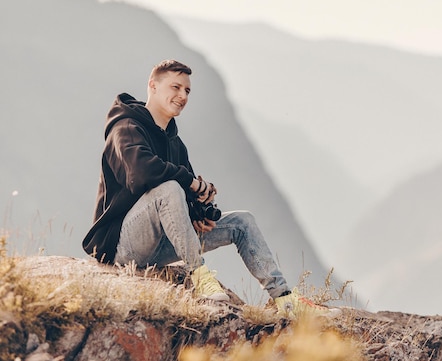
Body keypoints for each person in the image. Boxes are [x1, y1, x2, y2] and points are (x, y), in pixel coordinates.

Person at [82, 59, 337, 318]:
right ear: (153, 86)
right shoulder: (125, 127)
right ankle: (200, 278)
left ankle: (285, 299)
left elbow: (184, 196)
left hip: (159, 245)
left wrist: (198, 214)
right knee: (169, 188)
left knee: (242, 221)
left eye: (187, 91)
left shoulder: (175, 143)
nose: (182, 96)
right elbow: (141, 174)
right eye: (176, 87)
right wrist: (189, 182)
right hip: (121, 247)